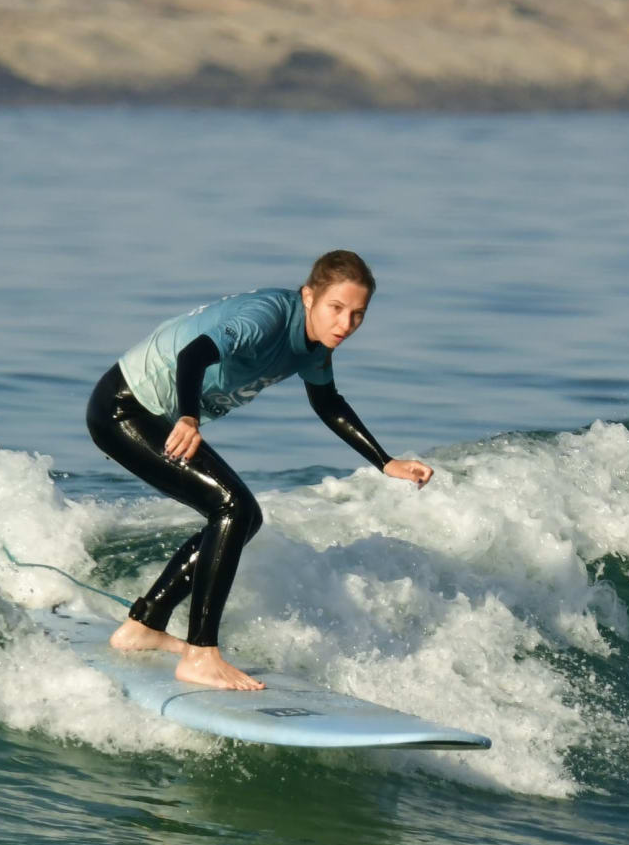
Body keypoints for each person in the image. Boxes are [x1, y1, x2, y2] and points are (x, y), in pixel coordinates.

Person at [85, 249, 433, 691]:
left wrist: (386, 462)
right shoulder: (265, 317)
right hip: (125, 409)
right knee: (232, 508)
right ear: (309, 296)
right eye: (337, 309)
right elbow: (194, 354)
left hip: (152, 415)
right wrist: (189, 418)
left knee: (239, 516)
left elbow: (328, 403)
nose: (345, 325)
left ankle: (145, 624)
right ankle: (200, 654)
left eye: (358, 315)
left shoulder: (316, 345)